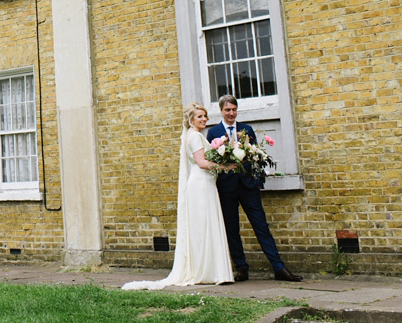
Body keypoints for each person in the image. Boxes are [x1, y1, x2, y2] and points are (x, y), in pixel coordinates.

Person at [123, 102, 233, 290]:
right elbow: (202, 163)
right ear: (191, 119)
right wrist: (226, 167)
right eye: (200, 116)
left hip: (203, 183)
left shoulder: (192, 135)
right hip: (201, 184)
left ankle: (210, 270)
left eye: (205, 115)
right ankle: (210, 271)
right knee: (205, 225)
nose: (204, 119)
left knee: (204, 225)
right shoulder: (196, 136)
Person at [205, 94, 302, 282]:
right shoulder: (213, 133)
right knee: (232, 229)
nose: (231, 113)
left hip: (248, 186)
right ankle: (241, 268)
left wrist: (257, 183)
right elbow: (212, 161)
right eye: (227, 110)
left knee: (261, 227)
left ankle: (279, 268)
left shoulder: (246, 129)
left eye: (233, 109)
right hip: (226, 188)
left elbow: (256, 159)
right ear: (221, 111)